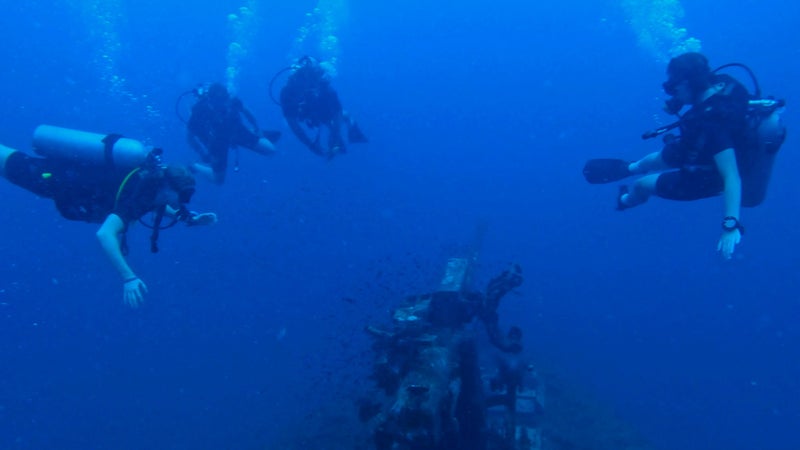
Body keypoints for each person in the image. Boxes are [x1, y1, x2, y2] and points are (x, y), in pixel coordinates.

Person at [583, 52, 786, 260]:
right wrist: (678, 102)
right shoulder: (725, 82)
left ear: (688, 83)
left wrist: (730, 225)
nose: (672, 91)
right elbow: (707, 100)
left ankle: (625, 200)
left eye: (674, 87)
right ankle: (632, 167)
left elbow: (730, 175)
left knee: (641, 185)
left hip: (710, 172)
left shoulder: (709, 123)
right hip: (703, 145)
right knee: (657, 158)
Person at [0, 143, 217, 307]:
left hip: (68, 177)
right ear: (167, 187)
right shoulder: (136, 194)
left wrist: (187, 218)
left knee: (19, 164)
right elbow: (105, 234)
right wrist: (128, 277)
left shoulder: (151, 186)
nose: (184, 202)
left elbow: (154, 204)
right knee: (16, 166)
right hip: (59, 179)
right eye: (182, 196)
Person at [186, 83, 277, 184]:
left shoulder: (232, 100)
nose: (221, 104)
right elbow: (190, 137)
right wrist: (202, 153)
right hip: (216, 142)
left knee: (271, 150)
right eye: (217, 101)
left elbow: (246, 112)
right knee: (218, 180)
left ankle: (251, 132)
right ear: (210, 100)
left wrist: (257, 129)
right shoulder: (199, 110)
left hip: (236, 131)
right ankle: (195, 166)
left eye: (223, 100)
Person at [279, 55, 367, 159]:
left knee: (333, 120)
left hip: (320, 109)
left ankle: (349, 128)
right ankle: (341, 137)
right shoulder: (288, 92)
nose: (312, 82)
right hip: (309, 112)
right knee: (328, 121)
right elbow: (293, 124)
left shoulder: (324, 87)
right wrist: (310, 144)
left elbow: (337, 112)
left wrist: (334, 135)